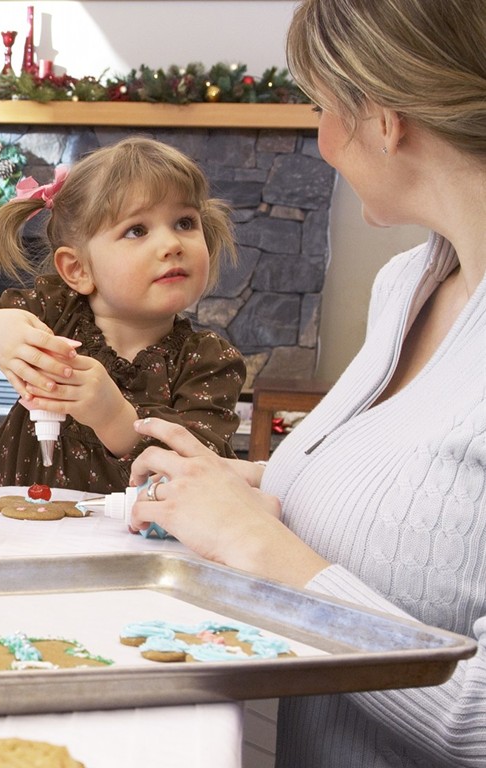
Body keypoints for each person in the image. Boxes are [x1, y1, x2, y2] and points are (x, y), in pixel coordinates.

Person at [127, 0, 486, 764]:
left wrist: (258, 544)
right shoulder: (410, 283)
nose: (321, 141)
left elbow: (476, 719)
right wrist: (233, 480)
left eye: (324, 109)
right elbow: (421, 498)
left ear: (384, 117)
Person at [0, 137, 245, 492]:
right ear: (78, 269)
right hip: (22, 529)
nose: (172, 244)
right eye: (137, 230)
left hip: (134, 542)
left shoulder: (209, 361)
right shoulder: (52, 313)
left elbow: (202, 474)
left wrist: (115, 417)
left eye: (185, 223)